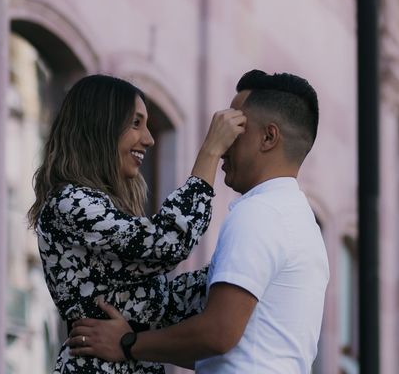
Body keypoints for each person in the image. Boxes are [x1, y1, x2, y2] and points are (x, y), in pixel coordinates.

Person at [67, 70, 330, 373]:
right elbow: (220, 350)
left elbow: (218, 333)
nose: (225, 145)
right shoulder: (301, 221)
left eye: (235, 128)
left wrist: (128, 343)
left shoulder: (259, 213)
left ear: (269, 137)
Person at [29, 74, 246, 374]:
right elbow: (168, 243)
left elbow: (163, 302)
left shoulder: (103, 209)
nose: (149, 138)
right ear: (100, 126)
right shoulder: (70, 204)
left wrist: (240, 269)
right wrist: (210, 153)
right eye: (135, 123)